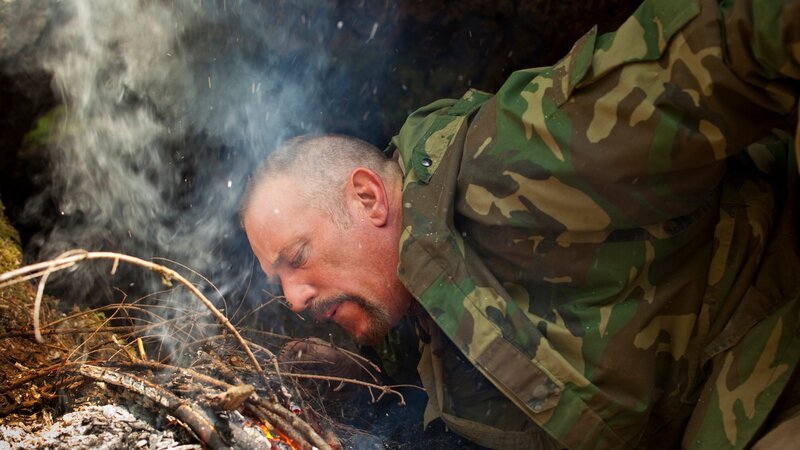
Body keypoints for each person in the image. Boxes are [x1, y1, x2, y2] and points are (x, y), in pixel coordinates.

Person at [240, 0, 800, 448]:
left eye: (297, 257)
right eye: (279, 279)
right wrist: (382, 407)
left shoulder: (510, 158)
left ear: (368, 198)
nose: (293, 299)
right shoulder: (421, 301)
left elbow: (719, 46)